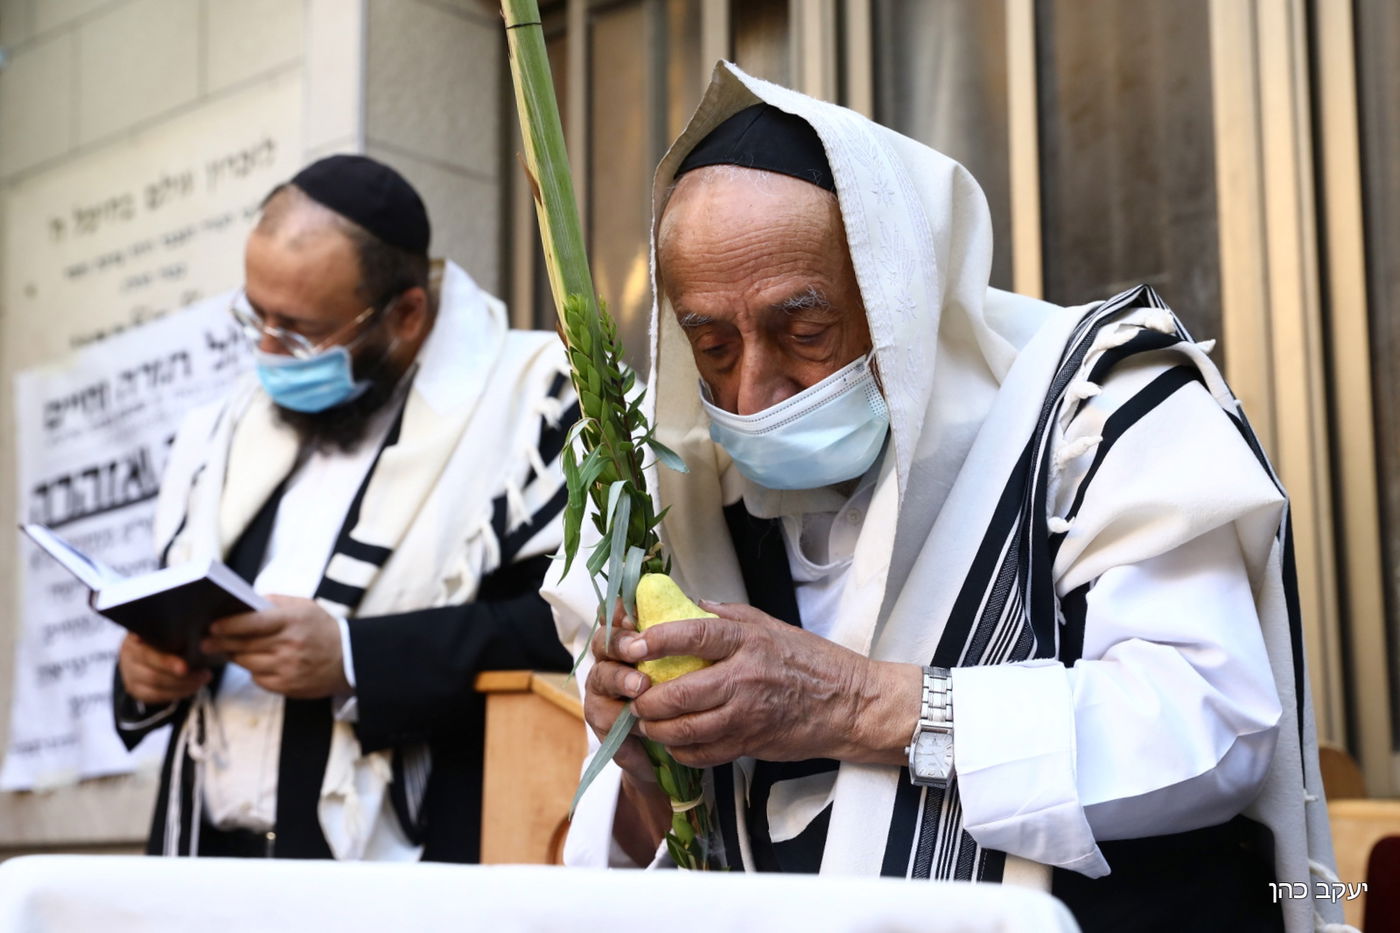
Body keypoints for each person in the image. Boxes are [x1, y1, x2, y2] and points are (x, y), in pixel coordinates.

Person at [550, 64, 1340, 932]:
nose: (753, 394)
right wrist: (643, 762)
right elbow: (651, 860)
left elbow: (1210, 726)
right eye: (711, 345)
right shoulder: (683, 511)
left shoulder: (1096, 414)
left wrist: (853, 704)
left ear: (900, 300)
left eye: (803, 331)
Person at [113, 154, 576, 861]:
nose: (269, 351)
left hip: (397, 865)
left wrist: (357, 658)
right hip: (204, 857)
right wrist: (142, 673)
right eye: (256, 315)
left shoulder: (533, 399)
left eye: (300, 330)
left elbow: (572, 626)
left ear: (406, 313)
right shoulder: (224, 426)